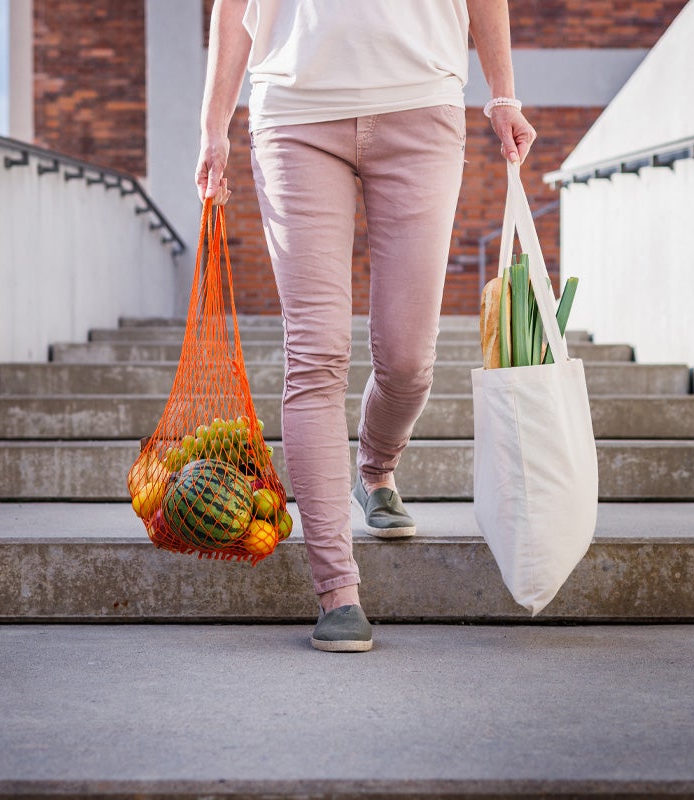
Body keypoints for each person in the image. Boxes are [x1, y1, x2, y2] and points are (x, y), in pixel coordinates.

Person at [196, 0, 536, 652]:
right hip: (294, 113)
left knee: (408, 361)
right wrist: (215, 126)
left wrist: (503, 95)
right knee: (316, 353)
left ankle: (375, 470)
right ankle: (337, 591)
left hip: (422, 105)